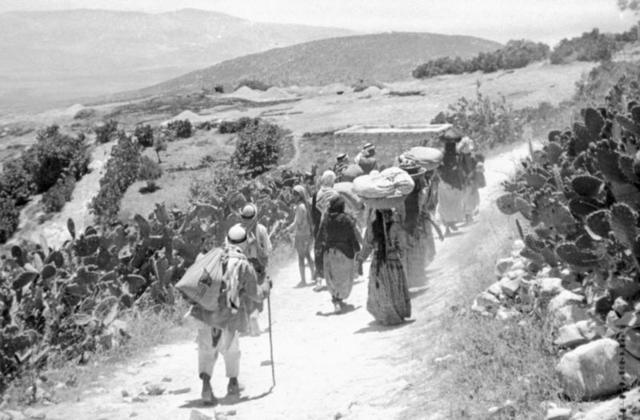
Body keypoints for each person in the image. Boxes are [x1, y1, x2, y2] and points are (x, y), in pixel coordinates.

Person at [190, 224, 265, 405]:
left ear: (227, 240)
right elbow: (256, 294)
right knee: (231, 350)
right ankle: (232, 384)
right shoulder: (243, 264)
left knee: (206, 350)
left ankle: (206, 388)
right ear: (246, 243)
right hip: (229, 316)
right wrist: (266, 288)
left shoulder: (211, 258)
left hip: (206, 313)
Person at [357, 208, 411, 325]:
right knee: (394, 288)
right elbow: (402, 246)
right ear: (389, 214)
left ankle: (386, 315)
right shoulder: (396, 227)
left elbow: (367, 246)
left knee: (381, 289)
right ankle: (395, 313)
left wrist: (360, 260)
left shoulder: (372, 227)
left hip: (378, 263)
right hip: (393, 263)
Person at [317, 195, 361, 313]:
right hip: (344, 253)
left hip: (329, 253)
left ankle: (336, 299)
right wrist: (358, 250)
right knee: (343, 279)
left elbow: (320, 235)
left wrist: (317, 249)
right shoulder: (346, 219)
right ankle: (338, 299)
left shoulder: (326, 218)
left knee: (332, 278)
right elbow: (352, 236)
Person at [238, 203, 272, 335]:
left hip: (243, 267)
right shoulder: (261, 229)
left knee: (246, 293)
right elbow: (268, 249)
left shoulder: (238, 231)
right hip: (258, 266)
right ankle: (254, 316)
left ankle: (247, 325)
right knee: (260, 292)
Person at [311, 170, 339, 291]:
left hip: (319, 227)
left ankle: (319, 279)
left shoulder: (317, 194)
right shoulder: (335, 194)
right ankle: (333, 278)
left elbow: (313, 213)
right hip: (332, 227)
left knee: (319, 252)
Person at [437, 128, 466, 235]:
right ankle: (449, 224)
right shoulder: (455, 155)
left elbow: (439, 168)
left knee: (446, 204)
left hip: (446, 182)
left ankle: (449, 224)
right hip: (451, 183)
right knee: (451, 204)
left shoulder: (443, 154)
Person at [285, 185, 315, 287]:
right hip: (307, 233)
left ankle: (303, 280)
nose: (293, 196)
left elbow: (297, 222)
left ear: (299, 195)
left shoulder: (299, 207)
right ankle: (313, 275)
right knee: (307, 255)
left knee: (301, 257)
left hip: (301, 235)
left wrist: (288, 229)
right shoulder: (304, 206)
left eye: (295, 194)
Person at [458, 137, 484, 224]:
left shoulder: (468, 156)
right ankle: (469, 218)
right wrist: (468, 177)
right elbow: (462, 169)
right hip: (467, 181)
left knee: (470, 198)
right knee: (469, 198)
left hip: (469, 180)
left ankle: (469, 217)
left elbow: (477, 165)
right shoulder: (463, 157)